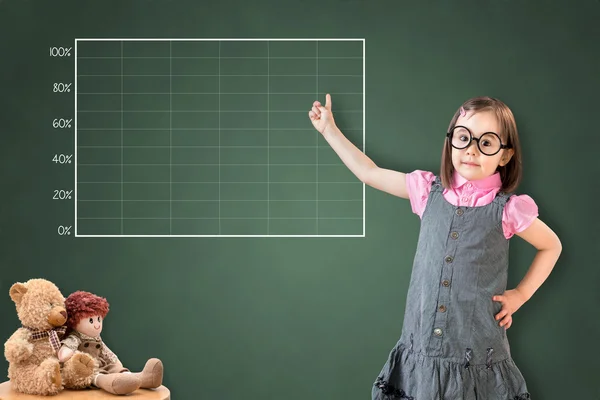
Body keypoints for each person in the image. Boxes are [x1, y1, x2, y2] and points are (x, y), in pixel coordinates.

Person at [308, 94, 562, 399]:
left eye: (487, 142)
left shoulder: (508, 209)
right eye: (463, 137)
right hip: (422, 344)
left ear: (504, 156)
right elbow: (369, 173)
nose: (471, 149)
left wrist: (520, 295)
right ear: (451, 141)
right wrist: (329, 130)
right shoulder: (428, 191)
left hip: (475, 351)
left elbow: (551, 246)